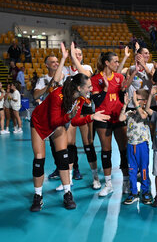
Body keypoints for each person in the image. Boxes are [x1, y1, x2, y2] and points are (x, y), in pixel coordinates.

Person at [29, 73, 110, 212]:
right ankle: (38, 196)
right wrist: (69, 116)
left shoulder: (81, 99)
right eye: (89, 86)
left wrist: (92, 116)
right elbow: (55, 121)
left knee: (63, 158)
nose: (91, 89)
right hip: (39, 123)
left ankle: (67, 193)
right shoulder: (57, 95)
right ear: (79, 87)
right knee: (39, 160)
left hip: (58, 124)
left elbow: (75, 121)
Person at [52, 42, 99, 189]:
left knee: (88, 144)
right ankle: (69, 178)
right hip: (70, 109)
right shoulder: (66, 69)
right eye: (75, 53)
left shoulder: (86, 68)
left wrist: (74, 57)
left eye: (79, 54)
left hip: (84, 108)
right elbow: (56, 79)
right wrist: (64, 59)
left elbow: (85, 77)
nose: (77, 56)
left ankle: (95, 177)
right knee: (70, 144)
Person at [91, 51, 131, 197]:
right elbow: (97, 102)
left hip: (118, 118)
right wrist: (106, 89)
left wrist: (124, 92)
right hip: (103, 119)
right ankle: (108, 184)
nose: (117, 64)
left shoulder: (120, 77)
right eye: (114, 61)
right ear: (107, 63)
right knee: (106, 151)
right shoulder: (95, 79)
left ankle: (126, 182)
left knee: (124, 150)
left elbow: (122, 97)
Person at [119, 89, 152, 204]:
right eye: (134, 99)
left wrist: (135, 102)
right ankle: (133, 192)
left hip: (142, 146)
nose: (135, 101)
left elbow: (143, 116)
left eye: (137, 99)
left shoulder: (146, 112)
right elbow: (121, 118)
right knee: (132, 170)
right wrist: (125, 104)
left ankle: (145, 191)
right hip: (130, 145)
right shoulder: (130, 113)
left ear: (144, 102)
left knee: (143, 169)